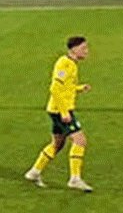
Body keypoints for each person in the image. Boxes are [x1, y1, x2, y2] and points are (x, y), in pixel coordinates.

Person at [25, 36, 94, 192]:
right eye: (83, 48)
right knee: (80, 140)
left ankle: (34, 172)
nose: (86, 51)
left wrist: (79, 88)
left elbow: (66, 87)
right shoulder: (64, 64)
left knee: (58, 144)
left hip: (56, 109)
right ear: (74, 49)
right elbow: (55, 88)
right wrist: (64, 112)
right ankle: (75, 179)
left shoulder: (71, 64)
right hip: (60, 110)